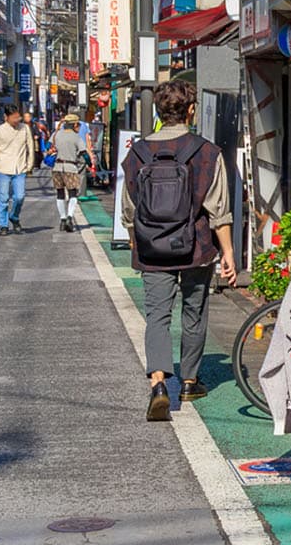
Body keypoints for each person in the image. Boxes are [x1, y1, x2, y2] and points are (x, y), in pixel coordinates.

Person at [120, 80, 237, 421]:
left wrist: (135, 237)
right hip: (195, 247)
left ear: (159, 112)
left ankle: (158, 382)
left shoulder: (137, 153)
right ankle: (189, 381)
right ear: (191, 110)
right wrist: (228, 253)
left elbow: (129, 208)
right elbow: (218, 211)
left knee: (157, 316)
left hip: (152, 249)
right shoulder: (208, 152)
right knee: (194, 311)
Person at [0, 104, 34, 235]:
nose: (17, 120)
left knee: (20, 197)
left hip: (20, 168)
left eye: (18, 117)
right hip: (3, 168)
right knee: (4, 198)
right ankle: (3, 225)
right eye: (14, 118)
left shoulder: (25, 129)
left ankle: (14, 217)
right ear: (6, 117)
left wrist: (30, 165)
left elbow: (30, 147)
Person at [48, 113, 92, 230]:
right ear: (75, 125)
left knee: (60, 193)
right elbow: (84, 153)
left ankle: (62, 219)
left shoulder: (56, 134)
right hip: (70, 168)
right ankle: (69, 217)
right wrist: (90, 164)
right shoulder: (76, 137)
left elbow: (48, 146)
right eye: (78, 125)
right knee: (73, 194)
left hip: (57, 167)